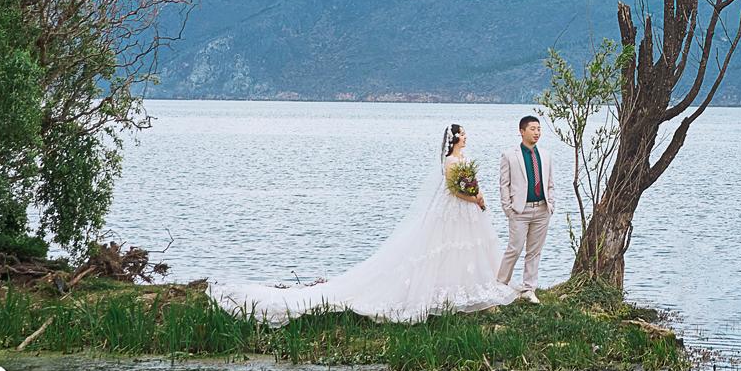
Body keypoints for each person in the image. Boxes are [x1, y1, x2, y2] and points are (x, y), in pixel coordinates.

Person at [206, 123, 518, 324]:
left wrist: (477, 196)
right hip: (457, 210)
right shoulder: (451, 161)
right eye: (463, 134)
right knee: (443, 250)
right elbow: (456, 188)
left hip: (465, 213)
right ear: (455, 139)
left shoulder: (462, 159)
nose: (466, 136)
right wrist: (474, 198)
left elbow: (468, 182)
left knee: (463, 252)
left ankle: (468, 292)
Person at [497, 115, 554, 304]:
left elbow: (550, 183)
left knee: (534, 251)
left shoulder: (545, 155)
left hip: (542, 209)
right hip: (519, 211)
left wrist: (550, 205)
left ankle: (529, 289)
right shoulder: (510, 155)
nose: (537, 133)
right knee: (514, 248)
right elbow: (504, 184)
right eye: (533, 129)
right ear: (522, 131)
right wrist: (508, 209)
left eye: (539, 129)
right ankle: (500, 285)